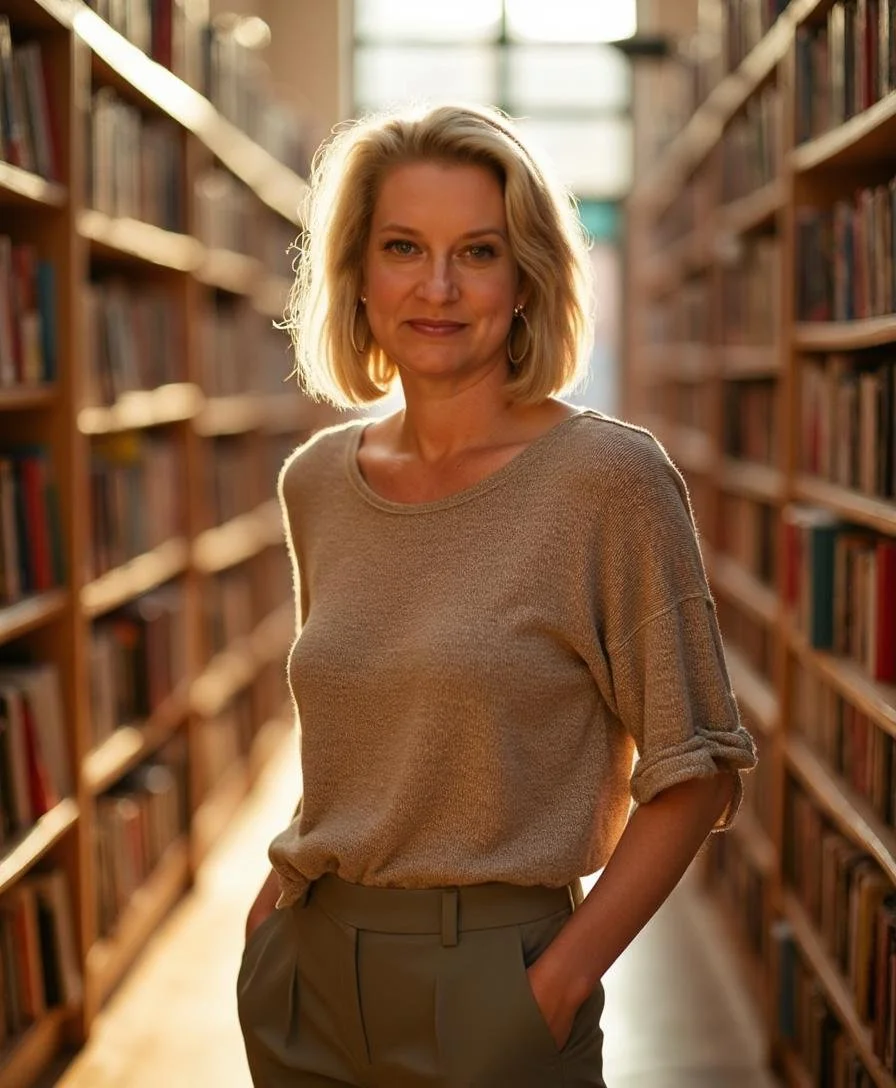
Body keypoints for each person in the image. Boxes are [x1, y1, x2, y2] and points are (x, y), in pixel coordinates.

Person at [237, 102, 758, 1088]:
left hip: (495, 983)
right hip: (304, 973)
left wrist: (556, 981)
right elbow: (373, 720)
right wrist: (277, 907)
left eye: (476, 251)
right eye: (402, 246)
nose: (436, 287)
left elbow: (696, 769)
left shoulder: (607, 479)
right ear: (356, 272)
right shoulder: (315, 481)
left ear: (524, 279)